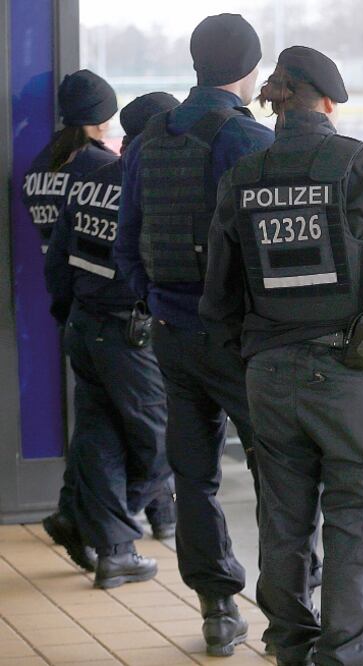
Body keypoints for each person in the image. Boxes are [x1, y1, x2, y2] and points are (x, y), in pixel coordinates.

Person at [199, 46, 363, 665]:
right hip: (350, 378)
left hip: (268, 376)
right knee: (361, 517)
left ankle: (288, 646)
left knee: (284, 519)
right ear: (328, 102)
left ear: (281, 99)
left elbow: (218, 300)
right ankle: (345, 657)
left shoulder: (243, 177)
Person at [114, 13, 274, 656]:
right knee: (279, 473)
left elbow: (128, 243)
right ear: (249, 68)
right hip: (238, 341)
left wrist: (156, 300)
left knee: (194, 476)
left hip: (170, 335)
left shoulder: (152, 136)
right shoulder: (246, 140)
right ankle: (294, 605)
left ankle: (216, 608)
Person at [43, 92, 182, 589]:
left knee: (100, 436)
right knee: (168, 441)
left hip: (83, 325)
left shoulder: (88, 184)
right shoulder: (152, 189)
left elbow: (57, 261)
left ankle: (117, 552)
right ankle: (95, 527)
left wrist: (71, 316)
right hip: (129, 333)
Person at [22, 70, 118, 256]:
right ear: (101, 122)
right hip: (97, 279)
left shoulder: (38, 165)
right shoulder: (105, 168)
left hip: (54, 275)